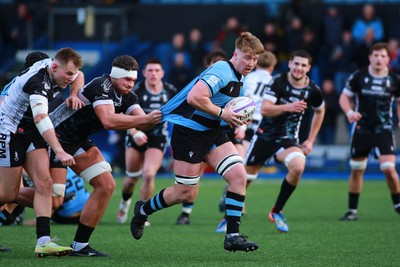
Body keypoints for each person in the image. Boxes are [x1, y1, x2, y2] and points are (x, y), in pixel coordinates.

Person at [130, 32, 265, 252]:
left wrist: (238, 117)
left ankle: (232, 236)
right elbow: (195, 97)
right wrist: (223, 113)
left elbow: (220, 104)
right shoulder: (222, 70)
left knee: (239, 175)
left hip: (212, 132)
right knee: (185, 193)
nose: (251, 63)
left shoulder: (239, 75)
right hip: (189, 134)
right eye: (247, 57)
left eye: (255, 59)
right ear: (235, 54)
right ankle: (143, 210)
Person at [42, 55, 161, 256]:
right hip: (54, 138)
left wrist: (154, 118)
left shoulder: (128, 96)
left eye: (133, 80)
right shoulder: (102, 86)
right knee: (54, 201)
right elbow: (108, 121)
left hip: (78, 141)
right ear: (115, 76)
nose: (130, 84)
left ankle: (80, 245)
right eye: (126, 80)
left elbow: (142, 120)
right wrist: (145, 119)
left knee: (106, 185)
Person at [0, 47, 83, 257]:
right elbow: (40, 118)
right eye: (68, 74)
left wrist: (73, 94)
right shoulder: (37, 83)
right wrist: (60, 151)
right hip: (10, 131)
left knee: (44, 183)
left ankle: (44, 241)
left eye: (71, 74)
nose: (70, 78)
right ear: (54, 67)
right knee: (8, 194)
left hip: (29, 132)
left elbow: (79, 74)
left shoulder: (55, 65)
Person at [244, 50, 325, 233]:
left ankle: (277, 211)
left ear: (309, 68)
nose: (299, 68)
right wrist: (289, 107)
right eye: (296, 64)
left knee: (298, 166)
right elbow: (264, 109)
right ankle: (228, 217)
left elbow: (320, 110)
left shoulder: (312, 89)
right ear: (289, 64)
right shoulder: (278, 82)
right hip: (265, 136)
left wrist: (311, 140)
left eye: (303, 65)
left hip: (287, 139)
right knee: (243, 179)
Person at [214, 50, 278, 233]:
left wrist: (240, 125)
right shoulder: (273, 81)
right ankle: (232, 201)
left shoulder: (248, 78)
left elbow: (242, 99)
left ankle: (234, 199)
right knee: (247, 168)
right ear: (272, 66)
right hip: (260, 126)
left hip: (245, 123)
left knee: (246, 167)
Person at [338, 42, 400, 221]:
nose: (379, 59)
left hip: (384, 130)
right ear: (370, 57)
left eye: (383, 56)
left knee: (388, 168)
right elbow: (344, 97)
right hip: (361, 130)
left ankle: (397, 203)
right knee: (357, 169)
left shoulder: (394, 80)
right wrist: (350, 112)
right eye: (376, 55)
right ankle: (352, 211)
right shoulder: (359, 76)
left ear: (388, 59)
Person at [117, 58, 177, 224]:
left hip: (158, 137)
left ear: (162, 73)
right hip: (136, 135)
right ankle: (124, 203)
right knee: (131, 179)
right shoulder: (136, 90)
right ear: (143, 73)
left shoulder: (170, 91)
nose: (153, 74)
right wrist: (134, 132)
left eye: (157, 70)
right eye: (150, 70)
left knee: (149, 174)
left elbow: (181, 112)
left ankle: (141, 213)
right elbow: (122, 115)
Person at [175, 49, 229, 226]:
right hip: (197, 133)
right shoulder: (203, 84)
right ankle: (185, 212)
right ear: (208, 65)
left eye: (222, 63)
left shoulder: (231, 82)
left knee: (238, 172)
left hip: (221, 133)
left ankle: (231, 219)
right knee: (192, 180)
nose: (219, 67)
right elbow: (191, 103)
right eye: (215, 63)